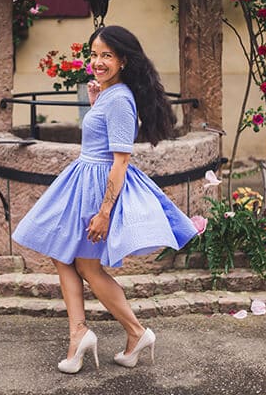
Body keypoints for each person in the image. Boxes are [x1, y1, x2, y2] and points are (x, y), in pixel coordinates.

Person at [12, 25, 198, 374]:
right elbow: (102, 135)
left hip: (98, 187)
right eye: (94, 54)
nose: (97, 62)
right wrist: (98, 102)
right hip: (84, 180)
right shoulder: (111, 94)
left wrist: (104, 212)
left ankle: (132, 331)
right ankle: (83, 332)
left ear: (124, 60)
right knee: (62, 254)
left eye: (107, 56)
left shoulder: (122, 100)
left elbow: (121, 160)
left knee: (86, 265)